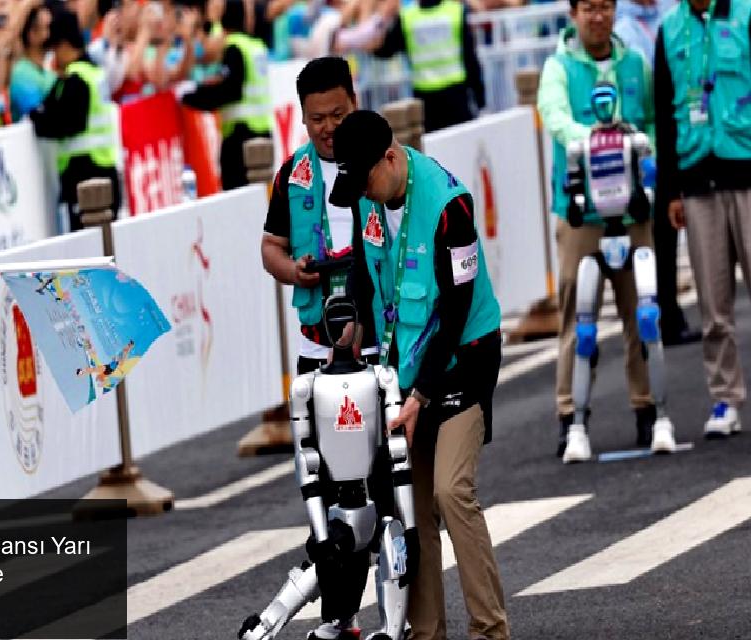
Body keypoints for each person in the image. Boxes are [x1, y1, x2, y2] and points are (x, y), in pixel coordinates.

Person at [331, 110, 509, 640]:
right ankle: (426, 633)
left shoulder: (449, 206)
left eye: (365, 181)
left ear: (389, 159)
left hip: (463, 361)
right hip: (404, 371)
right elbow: (363, 274)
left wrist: (423, 394)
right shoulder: (368, 198)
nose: (363, 194)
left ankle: (490, 631)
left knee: (451, 492)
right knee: (412, 504)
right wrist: (353, 325)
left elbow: (455, 310)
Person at [261, 57, 398, 640]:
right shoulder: (291, 175)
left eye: (338, 114)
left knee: (384, 492)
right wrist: (293, 270)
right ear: (302, 117)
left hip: (377, 354)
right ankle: (340, 619)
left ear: (355, 103)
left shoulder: (382, 162)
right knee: (333, 500)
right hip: (317, 357)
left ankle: (399, 620)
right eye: (316, 118)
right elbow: (270, 247)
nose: (327, 128)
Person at [537, 0, 658, 456]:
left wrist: (648, 164)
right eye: (589, 8)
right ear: (574, 14)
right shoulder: (558, 67)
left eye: (605, 6)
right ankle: (570, 415)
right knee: (576, 315)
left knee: (642, 312)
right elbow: (555, 118)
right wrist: (601, 142)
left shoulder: (635, 62)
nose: (598, 16)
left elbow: (651, 121)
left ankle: (648, 407)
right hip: (581, 212)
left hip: (632, 210)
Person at [655, 0, 751, 437]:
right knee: (713, 303)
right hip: (695, 181)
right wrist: (670, 190)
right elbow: (664, 115)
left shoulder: (745, 14)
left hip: (745, 170)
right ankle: (724, 397)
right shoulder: (669, 30)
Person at [614, 0, 701, 347]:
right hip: (640, 142)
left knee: (667, 232)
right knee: (646, 236)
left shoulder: (670, 11)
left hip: (673, 132)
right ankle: (652, 319)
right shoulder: (623, 27)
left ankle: (670, 313)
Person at [30, 9, 120, 229]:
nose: (54, 55)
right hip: (104, 169)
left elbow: (67, 124)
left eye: (54, 48)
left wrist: (38, 121)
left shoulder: (76, 79)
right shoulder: (93, 72)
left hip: (85, 176)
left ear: (64, 45)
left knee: (88, 242)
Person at [182, 0, 272, 189]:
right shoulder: (256, 45)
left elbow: (229, 91)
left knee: (238, 194)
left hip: (241, 136)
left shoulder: (234, 47)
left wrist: (191, 98)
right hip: (263, 131)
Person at [372, 0, 485, 132]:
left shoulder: (407, 17)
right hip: (456, 95)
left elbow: (384, 50)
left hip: (426, 99)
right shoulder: (456, 11)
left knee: (432, 143)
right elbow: (470, 58)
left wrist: (381, 20)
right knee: (461, 139)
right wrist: (480, 98)